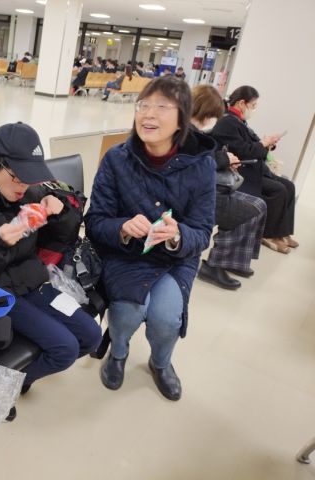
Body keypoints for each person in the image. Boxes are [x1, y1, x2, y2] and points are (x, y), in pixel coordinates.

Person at [0, 122, 102, 396]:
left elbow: (63, 238)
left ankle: (20, 378)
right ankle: (0, 388)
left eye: (30, 178)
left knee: (91, 336)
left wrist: (61, 211)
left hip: (34, 282)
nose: (24, 186)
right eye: (17, 177)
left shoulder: (30, 193)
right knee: (65, 349)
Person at [85, 76, 215, 401]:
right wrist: (123, 227)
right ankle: (118, 353)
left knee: (166, 319)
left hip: (174, 260)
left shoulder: (201, 166)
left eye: (162, 106)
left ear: (182, 118)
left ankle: (161, 362)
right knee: (126, 313)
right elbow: (95, 221)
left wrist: (177, 235)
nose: (149, 114)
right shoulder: (116, 159)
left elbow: (202, 232)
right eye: (143, 105)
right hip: (126, 255)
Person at [191, 85, 267, 290]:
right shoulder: (189, 133)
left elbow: (204, 157)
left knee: (260, 204)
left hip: (210, 185)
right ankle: (215, 264)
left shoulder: (196, 132)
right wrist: (224, 159)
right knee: (251, 209)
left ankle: (234, 260)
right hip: (202, 193)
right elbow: (196, 162)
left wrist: (225, 159)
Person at [211, 85, 298, 254]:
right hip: (243, 171)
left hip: (254, 168)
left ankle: (282, 232)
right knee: (279, 189)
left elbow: (254, 145)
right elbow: (243, 151)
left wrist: (267, 144)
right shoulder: (227, 122)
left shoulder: (239, 121)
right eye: (253, 105)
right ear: (242, 103)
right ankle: (269, 234)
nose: (254, 109)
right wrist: (262, 144)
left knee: (289, 185)